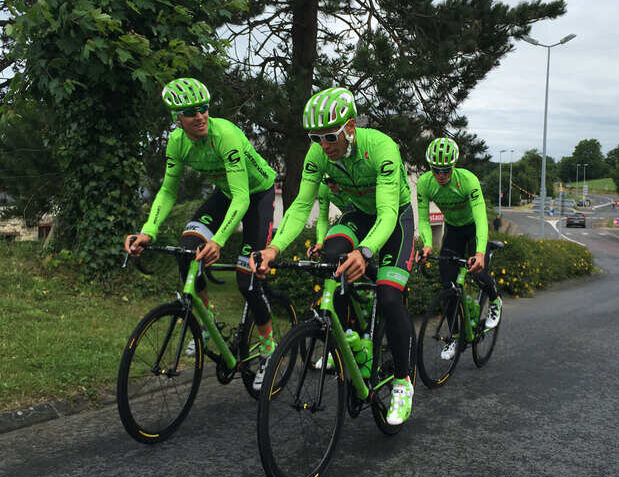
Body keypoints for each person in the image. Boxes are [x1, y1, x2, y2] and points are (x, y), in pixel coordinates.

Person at [252, 86, 416, 425]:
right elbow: (299, 207)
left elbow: (386, 213)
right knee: (332, 257)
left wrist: (366, 252)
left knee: (388, 297)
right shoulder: (318, 154)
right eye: (316, 138)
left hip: (394, 218)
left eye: (330, 137)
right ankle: (350, 335)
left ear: (350, 128)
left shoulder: (381, 148)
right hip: (358, 213)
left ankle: (402, 382)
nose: (325, 146)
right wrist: (273, 248)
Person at [124, 77, 277, 391]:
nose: (200, 115)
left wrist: (219, 240)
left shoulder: (226, 135)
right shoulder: (177, 143)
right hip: (225, 193)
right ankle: (208, 324)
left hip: (256, 196)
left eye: (204, 108)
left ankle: (269, 350)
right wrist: (147, 231)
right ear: (176, 119)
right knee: (187, 248)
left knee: (245, 279)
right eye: (191, 111)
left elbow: (243, 197)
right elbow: (167, 191)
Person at [415, 137, 502, 360]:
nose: (441, 174)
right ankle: (454, 335)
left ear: (453, 166)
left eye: (445, 170)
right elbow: (424, 220)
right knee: (448, 285)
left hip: (473, 229)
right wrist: (426, 244)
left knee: (478, 271)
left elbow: (482, 219)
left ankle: (494, 299)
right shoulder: (425, 183)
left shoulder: (468, 180)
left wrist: (480, 252)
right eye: (436, 170)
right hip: (452, 230)